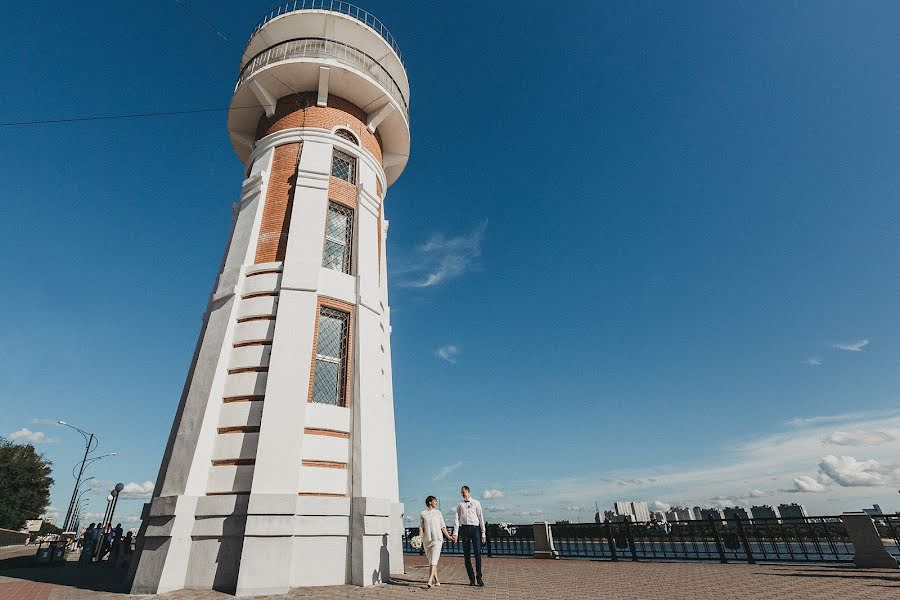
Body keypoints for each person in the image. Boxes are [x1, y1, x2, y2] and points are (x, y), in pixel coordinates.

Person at [452, 485, 486, 587]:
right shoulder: (460, 504)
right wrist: (455, 533)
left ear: (468, 491)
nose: (462, 494)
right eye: (461, 492)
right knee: (466, 555)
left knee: (477, 554)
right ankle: (471, 579)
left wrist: (483, 533)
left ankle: (479, 577)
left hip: (475, 529)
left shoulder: (476, 503)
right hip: (464, 529)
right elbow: (456, 519)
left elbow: (481, 517)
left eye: (463, 492)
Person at [419, 496, 453, 588]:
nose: (436, 503)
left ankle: (429, 580)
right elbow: (422, 527)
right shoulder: (423, 513)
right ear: (430, 502)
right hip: (427, 540)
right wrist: (419, 538)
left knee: (434, 560)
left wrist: (448, 536)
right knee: (431, 561)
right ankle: (437, 581)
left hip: (437, 539)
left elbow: (443, 526)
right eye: (435, 501)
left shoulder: (438, 513)